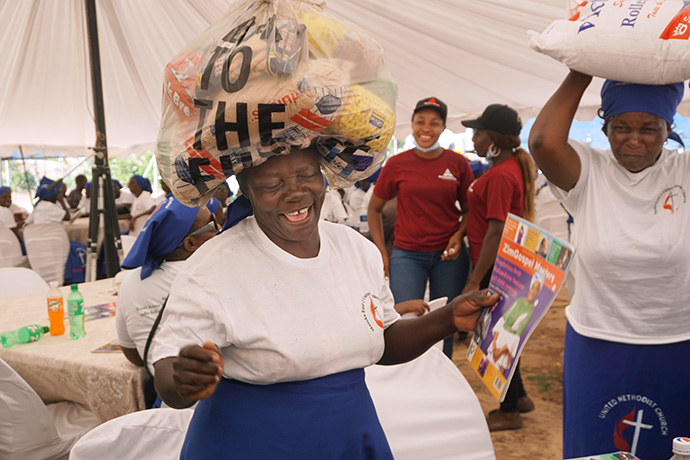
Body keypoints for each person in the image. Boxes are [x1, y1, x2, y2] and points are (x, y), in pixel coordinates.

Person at [150, 148, 499, 459]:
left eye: (307, 175)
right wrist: (183, 381)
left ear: (324, 175)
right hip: (252, 442)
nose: (296, 193)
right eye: (273, 184)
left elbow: (384, 338)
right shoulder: (213, 267)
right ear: (247, 191)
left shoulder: (355, 248)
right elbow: (168, 371)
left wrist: (449, 317)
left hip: (350, 435)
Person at [528, 70, 690, 460]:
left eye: (649, 128)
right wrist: (583, 67)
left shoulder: (683, 172)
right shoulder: (588, 171)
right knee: (595, 447)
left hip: (676, 343)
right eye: (620, 127)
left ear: (669, 127)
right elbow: (542, 141)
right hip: (597, 341)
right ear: (604, 125)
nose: (634, 140)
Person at [368, 97, 474, 359]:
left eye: (434, 123)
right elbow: (374, 209)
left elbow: (471, 210)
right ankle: (409, 382)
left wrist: (458, 236)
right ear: (412, 124)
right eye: (420, 122)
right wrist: (382, 251)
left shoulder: (458, 163)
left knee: (447, 323)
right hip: (406, 255)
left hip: (448, 258)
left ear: (443, 127)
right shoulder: (396, 163)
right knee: (404, 322)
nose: (426, 128)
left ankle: (442, 376)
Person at [460, 103, 536, 431]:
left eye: (478, 132)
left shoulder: (503, 175)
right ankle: (518, 398)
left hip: (494, 266)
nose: (473, 138)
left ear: (495, 140)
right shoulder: (503, 168)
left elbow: (496, 229)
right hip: (498, 263)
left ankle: (509, 412)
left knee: (499, 336)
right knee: (502, 331)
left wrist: (474, 278)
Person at [117, 197, 217, 370]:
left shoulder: (129, 282)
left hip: (163, 392)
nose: (220, 229)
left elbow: (132, 354)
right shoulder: (210, 277)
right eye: (213, 224)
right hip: (214, 391)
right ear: (191, 243)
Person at [487, 271, 543, 374]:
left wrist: (500, 351)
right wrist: (495, 344)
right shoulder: (519, 301)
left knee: (497, 374)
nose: (533, 291)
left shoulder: (530, 310)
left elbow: (518, 334)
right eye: (533, 288)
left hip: (505, 347)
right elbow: (504, 318)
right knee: (486, 371)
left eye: (537, 289)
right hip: (498, 338)